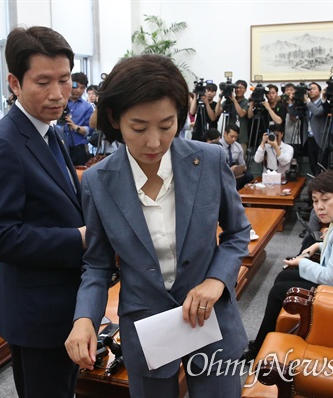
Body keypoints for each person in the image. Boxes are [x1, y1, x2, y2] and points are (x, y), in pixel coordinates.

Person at [65, 54, 250, 397]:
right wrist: (84, 319)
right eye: (138, 128)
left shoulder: (208, 161)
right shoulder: (97, 181)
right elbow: (97, 264)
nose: (154, 142)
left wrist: (216, 280)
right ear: (114, 118)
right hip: (147, 327)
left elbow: (238, 233)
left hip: (210, 318)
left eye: (166, 126)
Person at [0, 26, 85, 398]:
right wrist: (79, 238)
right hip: (38, 314)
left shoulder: (49, 130)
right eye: (43, 82)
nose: (57, 94)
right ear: (14, 83)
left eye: (65, 80)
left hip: (68, 303)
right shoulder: (0, 145)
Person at [244, 171, 333, 361]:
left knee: (280, 290)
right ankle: (266, 339)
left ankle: (258, 347)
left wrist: (302, 262)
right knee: (283, 277)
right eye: (315, 200)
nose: (319, 207)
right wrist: (317, 245)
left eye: (326, 200)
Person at [62, 72, 95, 166]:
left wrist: (75, 127)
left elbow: (90, 130)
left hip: (79, 148)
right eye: (76, 86)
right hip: (60, 146)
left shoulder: (87, 107)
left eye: (82, 88)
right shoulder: (61, 102)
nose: (78, 90)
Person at [216, 79, 249, 148]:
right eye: (236, 88)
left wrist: (234, 100)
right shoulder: (228, 101)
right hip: (228, 138)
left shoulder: (246, 102)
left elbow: (242, 114)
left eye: (241, 88)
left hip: (241, 138)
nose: (238, 90)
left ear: (245, 90)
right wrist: (220, 99)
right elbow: (217, 113)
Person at [220, 124, 254, 190]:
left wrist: (241, 169)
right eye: (232, 136)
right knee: (234, 182)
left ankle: (242, 194)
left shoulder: (238, 146)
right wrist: (229, 170)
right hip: (222, 171)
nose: (234, 139)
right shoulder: (218, 145)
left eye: (236, 137)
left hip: (235, 171)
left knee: (249, 176)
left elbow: (242, 164)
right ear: (225, 134)